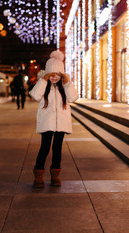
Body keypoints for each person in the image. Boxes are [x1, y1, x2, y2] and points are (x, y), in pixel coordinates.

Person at [29, 50, 79, 188]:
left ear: (61, 75)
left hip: (61, 125)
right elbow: (34, 95)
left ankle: (55, 175)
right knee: (44, 148)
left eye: (57, 74)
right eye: (51, 75)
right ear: (47, 75)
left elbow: (73, 98)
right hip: (47, 123)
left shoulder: (64, 88)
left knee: (57, 150)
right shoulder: (44, 87)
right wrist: (43, 80)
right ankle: (38, 175)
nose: (54, 77)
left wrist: (67, 82)